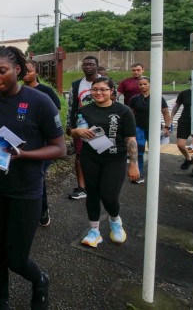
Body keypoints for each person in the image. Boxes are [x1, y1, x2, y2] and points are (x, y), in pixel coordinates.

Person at [0, 46, 66, 310]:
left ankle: (40, 280)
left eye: (1, 71)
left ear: (17, 69)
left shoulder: (40, 101)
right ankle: (2, 302)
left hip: (25, 190)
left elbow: (59, 148)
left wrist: (22, 154)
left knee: (15, 257)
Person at [71, 77, 139, 248]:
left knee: (109, 196)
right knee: (92, 193)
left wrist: (133, 164)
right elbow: (72, 131)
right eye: (95, 89)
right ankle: (94, 231)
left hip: (115, 159)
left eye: (103, 89)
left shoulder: (124, 111)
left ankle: (115, 220)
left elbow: (131, 139)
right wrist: (76, 131)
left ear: (112, 91)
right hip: (90, 158)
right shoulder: (84, 110)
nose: (98, 92)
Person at [23, 60, 61, 227]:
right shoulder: (16, 91)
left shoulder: (46, 92)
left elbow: (55, 113)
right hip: (23, 145)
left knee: (38, 176)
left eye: (29, 71)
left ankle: (42, 209)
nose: (25, 74)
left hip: (44, 145)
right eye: (23, 71)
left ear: (36, 72)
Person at [66, 56, 100, 200]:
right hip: (81, 126)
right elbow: (71, 106)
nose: (87, 67)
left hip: (100, 126)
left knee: (100, 154)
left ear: (97, 66)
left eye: (91, 64)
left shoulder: (105, 82)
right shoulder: (76, 85)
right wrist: (70, 125)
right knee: (80, 156)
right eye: (85, 64)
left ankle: (98, 185)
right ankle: (82, 187)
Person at [128, 76, 171, 183]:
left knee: (154, 152)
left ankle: (154, 173)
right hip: (139, 128)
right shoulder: (135, 99)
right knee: (139, 152)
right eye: (140, 84)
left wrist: (167, 127)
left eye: (145, 84)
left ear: (150, 84)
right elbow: (131, 114)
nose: (142, 86)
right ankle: (139, 173)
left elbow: (165, 113)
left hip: (154, 129)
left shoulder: (158, 98)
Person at [171, 87, 193, 174]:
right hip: (185, 120)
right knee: (180, 144)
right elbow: (177, 106)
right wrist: (171, 118)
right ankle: (188, 158)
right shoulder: (184, 93)